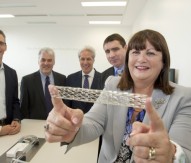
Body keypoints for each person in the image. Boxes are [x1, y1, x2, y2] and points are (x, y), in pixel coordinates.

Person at [44, 29, 191, 162]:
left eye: (150, 53)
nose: (141, 59)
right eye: (135, 52)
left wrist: (170, 153)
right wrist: (73, 127)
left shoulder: (183, 97)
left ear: (164, 61)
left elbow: (184, 151)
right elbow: (94, 122)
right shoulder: (113, 85)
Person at [20, 47, 66, 120]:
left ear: (54, 62)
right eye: (43, 60)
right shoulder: (27, 81)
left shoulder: (62, 79)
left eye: (49, 60)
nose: (46, 63)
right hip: (34, 124)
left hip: (57, 123)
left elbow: (65, 104)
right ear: (38, 61)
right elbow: (23, 108)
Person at [65, 46, 101, 113]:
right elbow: (67, 104)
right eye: (82, 59)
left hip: (96, 121)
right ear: (79, 60)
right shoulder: (70, 79)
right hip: (74, 120)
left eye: (88, 59)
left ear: (93, 60)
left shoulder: (102, 78)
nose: (85, 62)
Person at [0, 29, 21, 136]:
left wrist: (16, 119)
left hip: (9, 130)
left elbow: (15, 101)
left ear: (5, 47)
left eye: (1, 43)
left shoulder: (11, 73)